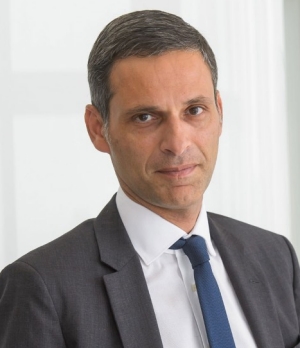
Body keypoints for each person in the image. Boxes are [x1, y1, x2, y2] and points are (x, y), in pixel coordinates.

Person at [0, 10, 299, 348]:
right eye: (145, 117)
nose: (178, 143)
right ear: (98, 129)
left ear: (219, 111)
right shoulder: (43, 287)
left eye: (194, 110)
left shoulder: (276, 257)